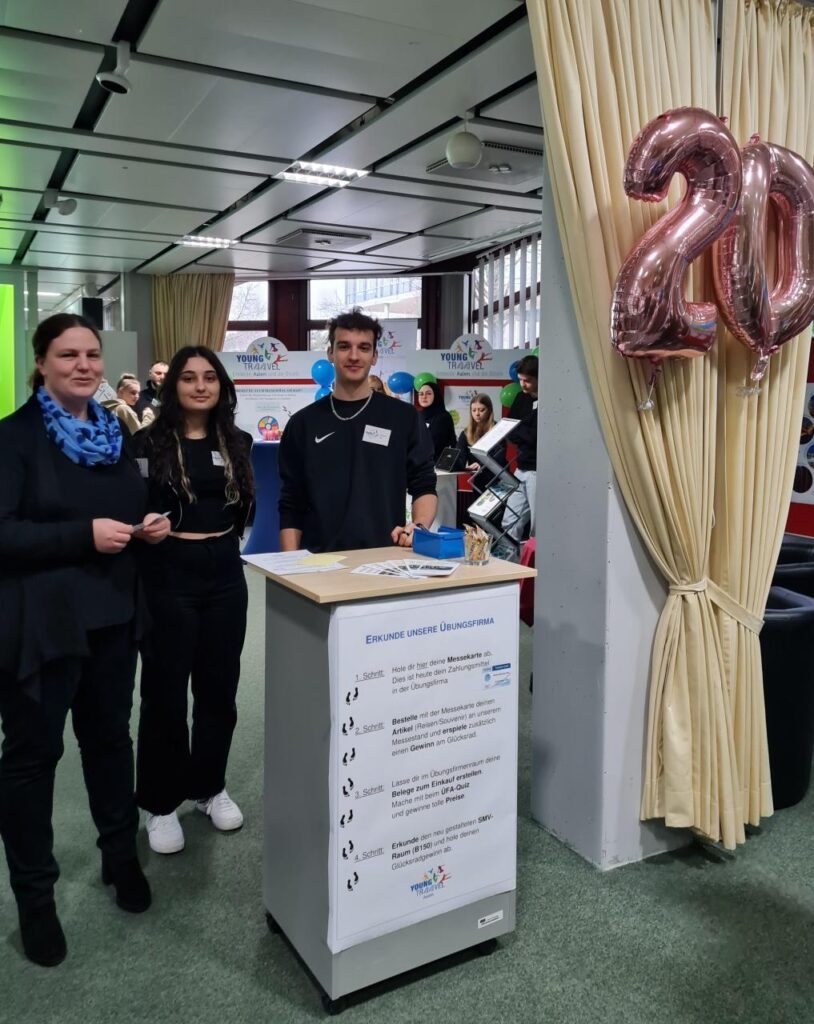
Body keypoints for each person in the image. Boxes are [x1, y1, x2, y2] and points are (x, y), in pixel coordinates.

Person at [0, 313, 170, 967]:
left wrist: (142, 525)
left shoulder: (111, 432)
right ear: (40, 362)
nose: (83, 365)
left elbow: (120, 509)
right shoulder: (13, 439)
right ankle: (35, 900)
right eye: (67, 354)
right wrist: (81, 536)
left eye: (92, 354)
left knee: (108, 743)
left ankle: (119, 857)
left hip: (112, 617)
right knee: (30, 761)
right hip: (41, 629)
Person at [134, 347, 254, 856]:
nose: (200, 386)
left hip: (225, 575)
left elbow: (244, 506)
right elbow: (129, 507)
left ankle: (208, 787)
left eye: (209, 377)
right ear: (172, 387)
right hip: (168, 576)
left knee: (219, 688)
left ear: (221, 386)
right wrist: (145, 528)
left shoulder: (237, 440)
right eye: (188, 377)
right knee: (164, 693)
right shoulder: (146, 443)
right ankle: (161, 803)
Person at [278, 308, 437, 552]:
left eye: (363, 348)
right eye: (344, 346)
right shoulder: (302, 424)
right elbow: (291, 502)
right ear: (330, 353)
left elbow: (424, 484)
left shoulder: (403, 418)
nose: (354, 356)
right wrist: (289, 565)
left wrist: (419, 526)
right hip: (318, 560)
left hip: (385, 556)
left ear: (374, 356)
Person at [502, 354, 538, 542]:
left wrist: (522, 430)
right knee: (508, 522)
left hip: (537, 471)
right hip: (521, 467)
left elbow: (536, 437)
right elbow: (509, 430)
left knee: (536, 526)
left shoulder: (549, 402)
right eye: (521, 380)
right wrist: (525, 431)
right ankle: (511, 566)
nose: (523, 385)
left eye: (528, 380)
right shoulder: (520, 398)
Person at [456, 393, 506, 493]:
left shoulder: (498, 430)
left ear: (489, 410)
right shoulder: (466, 433)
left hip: (498, 481)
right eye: (473, 410)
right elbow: (459, 456)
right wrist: (463, 466)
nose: (477, 414)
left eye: (481, 410)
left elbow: (499, 457)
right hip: (478, 481)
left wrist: (480, 464)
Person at [416, 381, 456, 461]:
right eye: (421, 394)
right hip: (418, 463)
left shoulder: (443, 417)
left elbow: (435, 444)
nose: (424, 397)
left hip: (437, 465)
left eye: (428, 393)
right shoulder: (417, 415)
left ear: (436, 395)